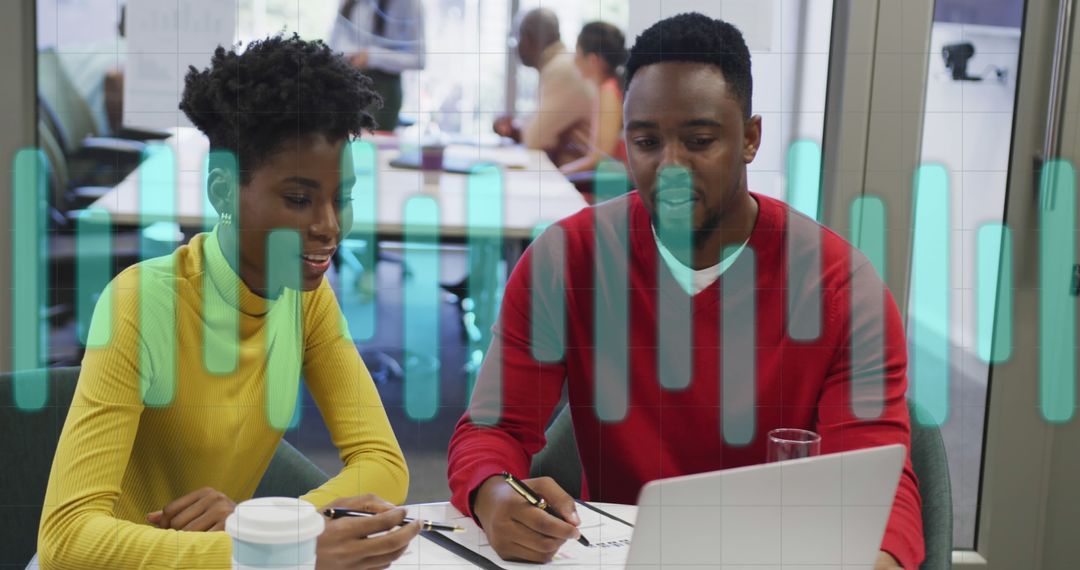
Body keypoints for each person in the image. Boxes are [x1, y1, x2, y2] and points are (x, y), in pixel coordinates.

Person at [448, 13, 922, 570]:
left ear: (750, 138)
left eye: (699, 141)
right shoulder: (566, 260)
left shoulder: (841, 289)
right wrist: (495, 493)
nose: (669, 168)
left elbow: (878, 492)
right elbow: (493, 428)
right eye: (646, 142)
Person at [38, 35, 420, 569]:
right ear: (222, 192)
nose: (329, 226)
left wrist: (267, 529)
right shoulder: (142, 302)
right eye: (298, 199)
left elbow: (383, 461)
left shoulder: (305, 299)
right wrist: (277, 544)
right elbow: (66, 544)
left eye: (343, 198)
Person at [492, 8, 595, 168]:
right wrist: (514, 130)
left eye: (518, 37)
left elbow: (535, 139)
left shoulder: (562, 70)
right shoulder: (558, 65)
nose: (517, 46)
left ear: (531, 38)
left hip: (580, 181)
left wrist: (518, 131)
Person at [329, 0, 426, 131]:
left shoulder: (407, 4)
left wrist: (372, 56)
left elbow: (418, 59)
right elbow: (334, 43)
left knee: (372, 146)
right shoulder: (349, 3)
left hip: (383, 88)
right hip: (346, 83)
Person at [558, 21, 628, 177]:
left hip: (612, 185)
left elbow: (600, 158)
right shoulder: (609, 88)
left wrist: (560, 173)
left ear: (593, 60)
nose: (574, 61)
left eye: (577, 54)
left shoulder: (608, 92)